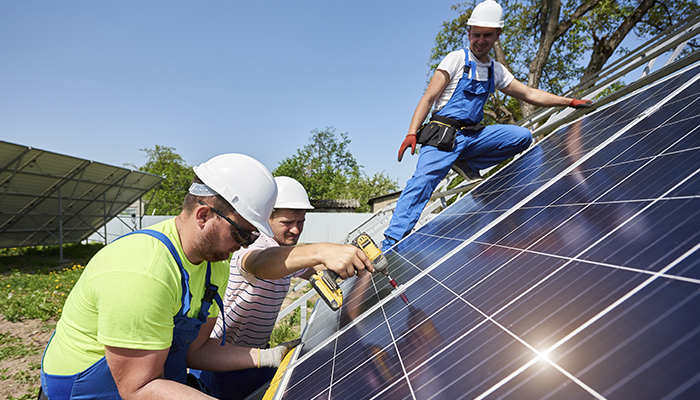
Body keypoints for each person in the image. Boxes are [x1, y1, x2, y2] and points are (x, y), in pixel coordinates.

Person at [39, 154, 373, 400]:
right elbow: (137, 388)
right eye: (243, 234)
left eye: (253, 238)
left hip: (156, 378)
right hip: (94, 391)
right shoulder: (143, 271)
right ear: (203, 215)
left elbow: (195, 352)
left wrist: (267, 356)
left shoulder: (214, 262)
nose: (245, 246)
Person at [380, 0, 593, 251]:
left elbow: (529, 94)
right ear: (469, 33)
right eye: (476, 35)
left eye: (487, 36)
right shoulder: (456, 60)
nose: (480, 41)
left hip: (471, 137)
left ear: (497, 36)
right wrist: (411, 133)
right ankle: (391, 241)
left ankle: (467, 164)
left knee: (521, 136)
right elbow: (428, 98)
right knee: (422, 182)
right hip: (443, 137)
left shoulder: (496, 71)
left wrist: (567, 101)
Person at [191, 176, 324, 400]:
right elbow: (259, 263)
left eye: (300, 222)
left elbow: (310, 267)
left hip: (259, 356)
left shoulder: (284, 254)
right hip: (220, 361)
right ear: (267, 218)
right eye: (287, 222)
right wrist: (321, 250)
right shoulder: (254, 245)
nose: (295, 229)